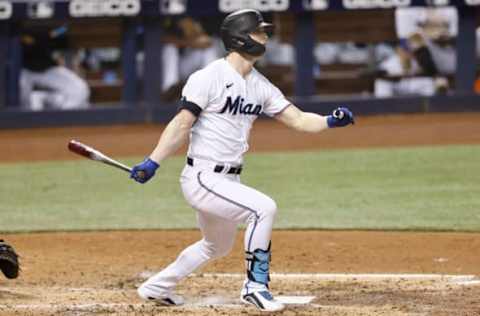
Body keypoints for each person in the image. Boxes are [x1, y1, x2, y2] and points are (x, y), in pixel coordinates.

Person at [130, 9, 354, 312]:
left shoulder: (260, 85)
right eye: (259, 32)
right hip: (203, 178)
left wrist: (330, 120)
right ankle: (255, 286)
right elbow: (181, 124)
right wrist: (153, 161)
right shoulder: (208, 77)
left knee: (216, 246)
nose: (266, 37)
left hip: (227, 180)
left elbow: (299, 120)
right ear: (240, 37)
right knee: (263, 209)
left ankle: (156, 287)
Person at [20, 24, 90, 111]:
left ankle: (66, 118)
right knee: (24, 99)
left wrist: (53, 33)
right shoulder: (12, 29)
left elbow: (64, 28)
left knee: (80, 88)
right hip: (20, 71)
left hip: (47, 69)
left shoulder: (58, 27)